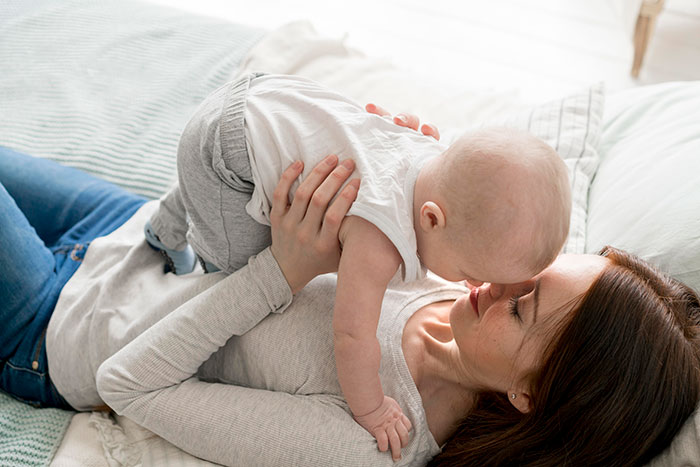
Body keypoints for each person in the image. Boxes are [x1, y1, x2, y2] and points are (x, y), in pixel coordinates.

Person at [1, 116, 699, 466]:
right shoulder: (463, 258)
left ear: (530, 393)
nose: (495, 281)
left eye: (521, 305)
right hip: (139, 225)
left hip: (58, 325)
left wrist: (281, 274)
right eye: (531, 272)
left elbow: (129, 385)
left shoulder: (372, 439)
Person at [143, 72, 572, 448]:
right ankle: (188, 225)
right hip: (224, 148)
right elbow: (351, 337)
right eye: (470, 273)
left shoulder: (425, 149)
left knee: (241, 198)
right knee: (241, 265)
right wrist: (371, 410)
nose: (475, 287)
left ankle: (171, 217)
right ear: (431, 219)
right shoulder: (379, 241)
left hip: (265, 95)